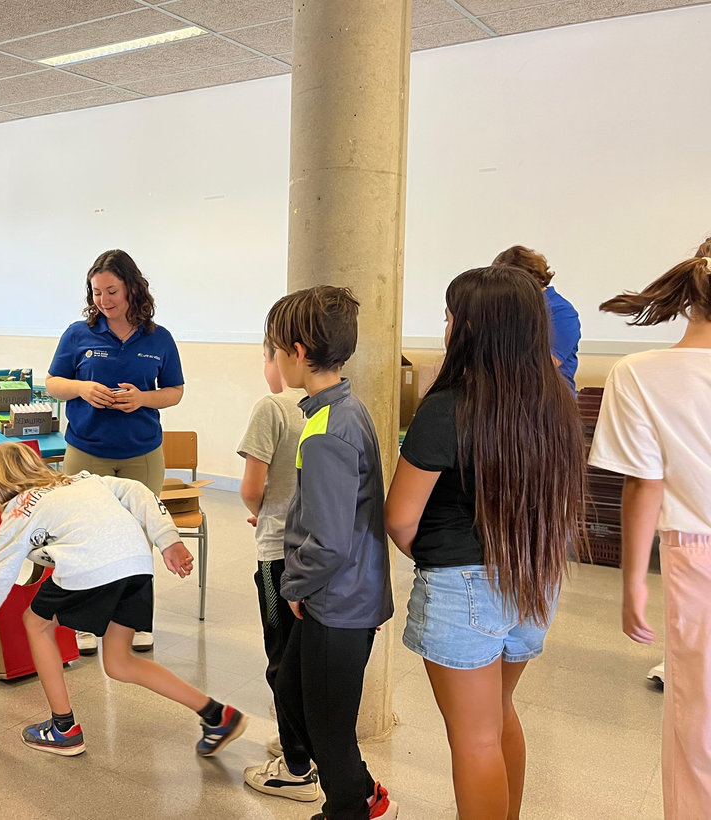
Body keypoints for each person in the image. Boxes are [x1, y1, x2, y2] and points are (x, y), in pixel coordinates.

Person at [385, 266, 586, 819]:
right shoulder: (555, 401)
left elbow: (400, 518)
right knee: (499, 715)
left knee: (473, 739)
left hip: (463, 586)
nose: (446, 327)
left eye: (449, 317)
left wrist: (435, 556)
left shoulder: (448, 405)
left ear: (470, 326)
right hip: (533, 577)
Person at [0, 442, 248, 759]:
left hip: (90, 565)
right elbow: (138, 491)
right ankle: (217, 715)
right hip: (135, 563)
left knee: (36, 624)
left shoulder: (19, 510)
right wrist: (167, 539)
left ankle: (63, 728)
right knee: (120, 663)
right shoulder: (83, 479)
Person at [589, 241, 711, 817]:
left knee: (699, 726)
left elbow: (645, 484)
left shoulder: (639, 374)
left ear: (690, 295)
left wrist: (633, 582)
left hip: (695, 554)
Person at [266, 287, 397, 820]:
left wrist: (294, 585)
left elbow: (330, 540)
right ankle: (364, 793)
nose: (275, 358)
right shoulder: (344, 407)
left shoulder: (326, 430)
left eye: (276, 349)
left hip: (336, 601)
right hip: (344, 594)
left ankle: (350, 807)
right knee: (290, 689)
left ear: (298, 352)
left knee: (328, 728)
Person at [46, 249, 184, 654]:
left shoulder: (159, 338)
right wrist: (82, 388)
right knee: (82, 536)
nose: (104, 300)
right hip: (86, 452)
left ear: (132, 289)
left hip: (142, 454)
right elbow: (53, 382)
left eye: (112, 291)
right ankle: (84, 624)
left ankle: (135, 622)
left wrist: (143, 399)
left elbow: (174, 391)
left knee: (140, 537)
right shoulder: (78, 334)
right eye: (97, 292)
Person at [237, 339, 318, 802]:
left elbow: (252, 489)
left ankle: (295, 767)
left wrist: (265, 511)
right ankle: (302, 741)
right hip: (317, 548)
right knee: (304, 654)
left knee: (281, 658)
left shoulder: (272, 408)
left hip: (277, 551)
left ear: (282, 356)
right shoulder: (331, 404)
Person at [493, 245, 581, 394]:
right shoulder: (506, 307)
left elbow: (544, 365)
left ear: (535, 278)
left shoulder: (561, 312)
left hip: (549, 399)